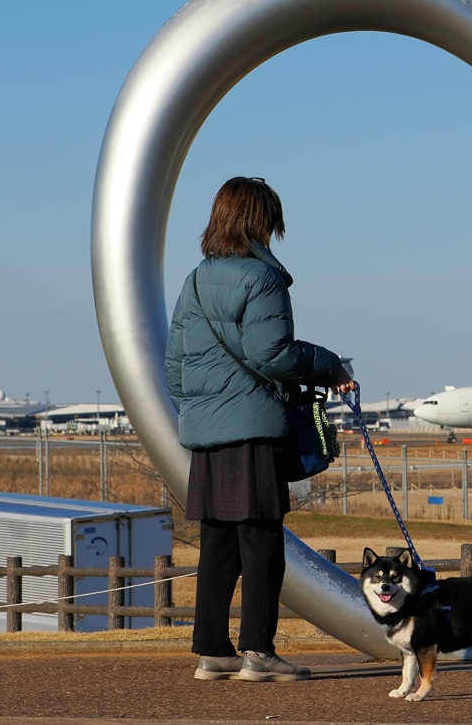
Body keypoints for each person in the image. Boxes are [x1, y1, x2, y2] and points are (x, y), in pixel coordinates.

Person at [165, 176, 354, 682]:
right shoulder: (262, 279)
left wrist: (199, 412)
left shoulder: (196, 280)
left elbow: (174, 364)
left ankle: (212, 652)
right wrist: (330, 364)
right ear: (260, 221)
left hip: (208, 436)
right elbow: (271, 354)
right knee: (263, 544)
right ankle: (258, 653)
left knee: (218, 544)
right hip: (253, 430)